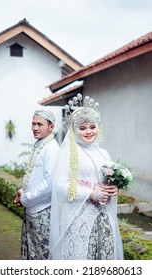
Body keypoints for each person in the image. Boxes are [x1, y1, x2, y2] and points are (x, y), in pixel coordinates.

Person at [49, 94, 123, 260]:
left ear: (98, 127)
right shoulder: (69, 152)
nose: (89, 131)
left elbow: (107, 179)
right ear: (75, 130)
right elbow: (59, 185)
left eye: (92, 126)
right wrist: (89, 193)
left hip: (104, 217)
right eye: (82, 128)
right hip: (79, 217)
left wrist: (113, 188)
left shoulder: (103, 153)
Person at [14, 109, 59, 260]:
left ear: (51, 127)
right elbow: (33, 175)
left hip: (42, 211)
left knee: (42, 255)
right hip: (32, 208)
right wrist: (22, 192)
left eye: (40, 124)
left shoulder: (52, 148)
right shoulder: (40, 145)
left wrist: (25, 199)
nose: (35, 127)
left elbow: (49, 184)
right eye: (33, 124)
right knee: (31, 252)